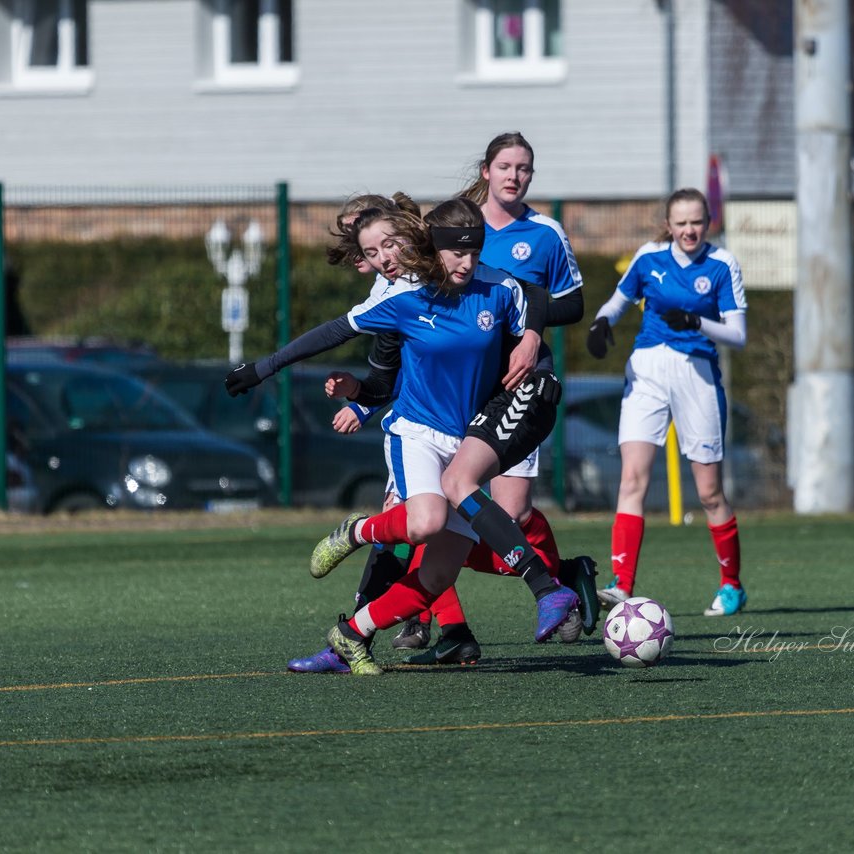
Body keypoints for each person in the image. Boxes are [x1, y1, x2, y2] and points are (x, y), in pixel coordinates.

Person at [226, 198, 579, 674]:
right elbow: (331, 334)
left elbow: (536, 297)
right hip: (416, 432)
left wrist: (534, 343)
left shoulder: (496, 286)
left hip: (467, 439)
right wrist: (265, 368)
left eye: (473, 251)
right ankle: (357, 531)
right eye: (373, 250)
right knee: (425, 522)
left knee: (435, 574)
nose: (466, 262)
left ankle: (349, 637)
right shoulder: (401, 297)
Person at [584, 187, 749, 618]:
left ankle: (731, 585)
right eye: (681, 223)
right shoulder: (649, 258)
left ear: (707, 221)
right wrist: (602, 323)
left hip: (697, 376)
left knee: (710, 492)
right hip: (648, 371)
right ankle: (622, 584)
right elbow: (617, 303)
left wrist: (698, 321)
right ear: (669, 225)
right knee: (632, 478)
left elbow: (738, 333)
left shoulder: (721, 264)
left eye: (696, 222)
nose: (689, 230)